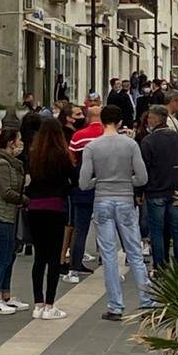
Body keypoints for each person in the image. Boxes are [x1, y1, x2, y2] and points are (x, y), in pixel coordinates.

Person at [79, 104, 152, 321]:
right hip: (125, 199)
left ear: (101, 121)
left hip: (102, 199)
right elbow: (143, 178)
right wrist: (126, 181)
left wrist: (98, 181)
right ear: (120, 122)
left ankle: (115, 305)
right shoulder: (130, 145)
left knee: (109, 254)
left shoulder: (92, 147)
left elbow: (83, 183)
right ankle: (146, 300)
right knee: (134, 251)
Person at [25, 118, 77, 320]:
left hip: (35, 207)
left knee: (39, 257)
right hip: (55, 206)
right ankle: (50, 304)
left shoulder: (33, 155)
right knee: (54, 257)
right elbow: (74, 180)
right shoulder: (62, 155)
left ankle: (37, 303)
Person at [140, 104, 178, 268]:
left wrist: (139, 191)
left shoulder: (148, 141)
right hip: (175, 190)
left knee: (156, 230)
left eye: (150, 118)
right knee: (177, 229)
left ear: (155, 119)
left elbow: (144, 168)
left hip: (155, 191)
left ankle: (160, 264)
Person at [0, 129, 29, 316]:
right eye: (18, 140)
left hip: (9, 213)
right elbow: (6, 192)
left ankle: (6, 295)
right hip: (2, 214)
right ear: (11, 143)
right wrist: (26, 200)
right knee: (4, 256)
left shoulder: (12, 163)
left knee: (10, 254)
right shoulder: (2, 164)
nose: (20, 143)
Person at [66, 102, 103, 282]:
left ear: (88, 118)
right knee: (105, 227)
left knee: (81, 228)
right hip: (105, 188)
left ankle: (75, 265)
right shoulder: (109, 136)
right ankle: (106, 261)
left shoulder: (78, 136)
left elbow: (71, 159)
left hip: (83, 187)